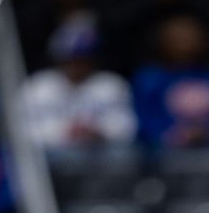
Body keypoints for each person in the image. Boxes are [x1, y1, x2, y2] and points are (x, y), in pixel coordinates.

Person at [20, 19, 137, 154]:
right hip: (54, 158)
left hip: (102, 155)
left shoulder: (112, 85)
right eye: (70, 60)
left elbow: (128, 128)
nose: (75, 66)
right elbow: (24, 132)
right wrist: (65, 133)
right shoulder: (37, 87)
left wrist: (100, 132)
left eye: (82, 60)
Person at [132, 14, 209, 149]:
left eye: (189, 37)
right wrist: (175, 134)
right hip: (162, 152)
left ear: (203, 40)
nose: (184, 42)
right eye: (177, 38)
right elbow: (144, 119)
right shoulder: (150, 78)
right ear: (163, 41)